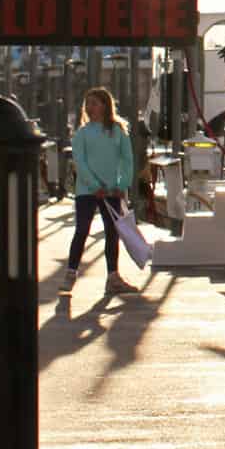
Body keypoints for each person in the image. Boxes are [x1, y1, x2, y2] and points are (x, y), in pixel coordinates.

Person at [62, 86, 136, 295]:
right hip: (87, 191)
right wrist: (95, 186)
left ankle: (113, 278)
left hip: (112, 190)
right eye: (87, 103)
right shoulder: (82, 134)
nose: (89, 106)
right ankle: (70, 274)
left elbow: (127, 160)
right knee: (82, 230)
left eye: (94, 102)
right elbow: (80, 162)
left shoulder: (118, 131)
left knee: (112, 233)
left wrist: (122, 185)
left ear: (105, 105)